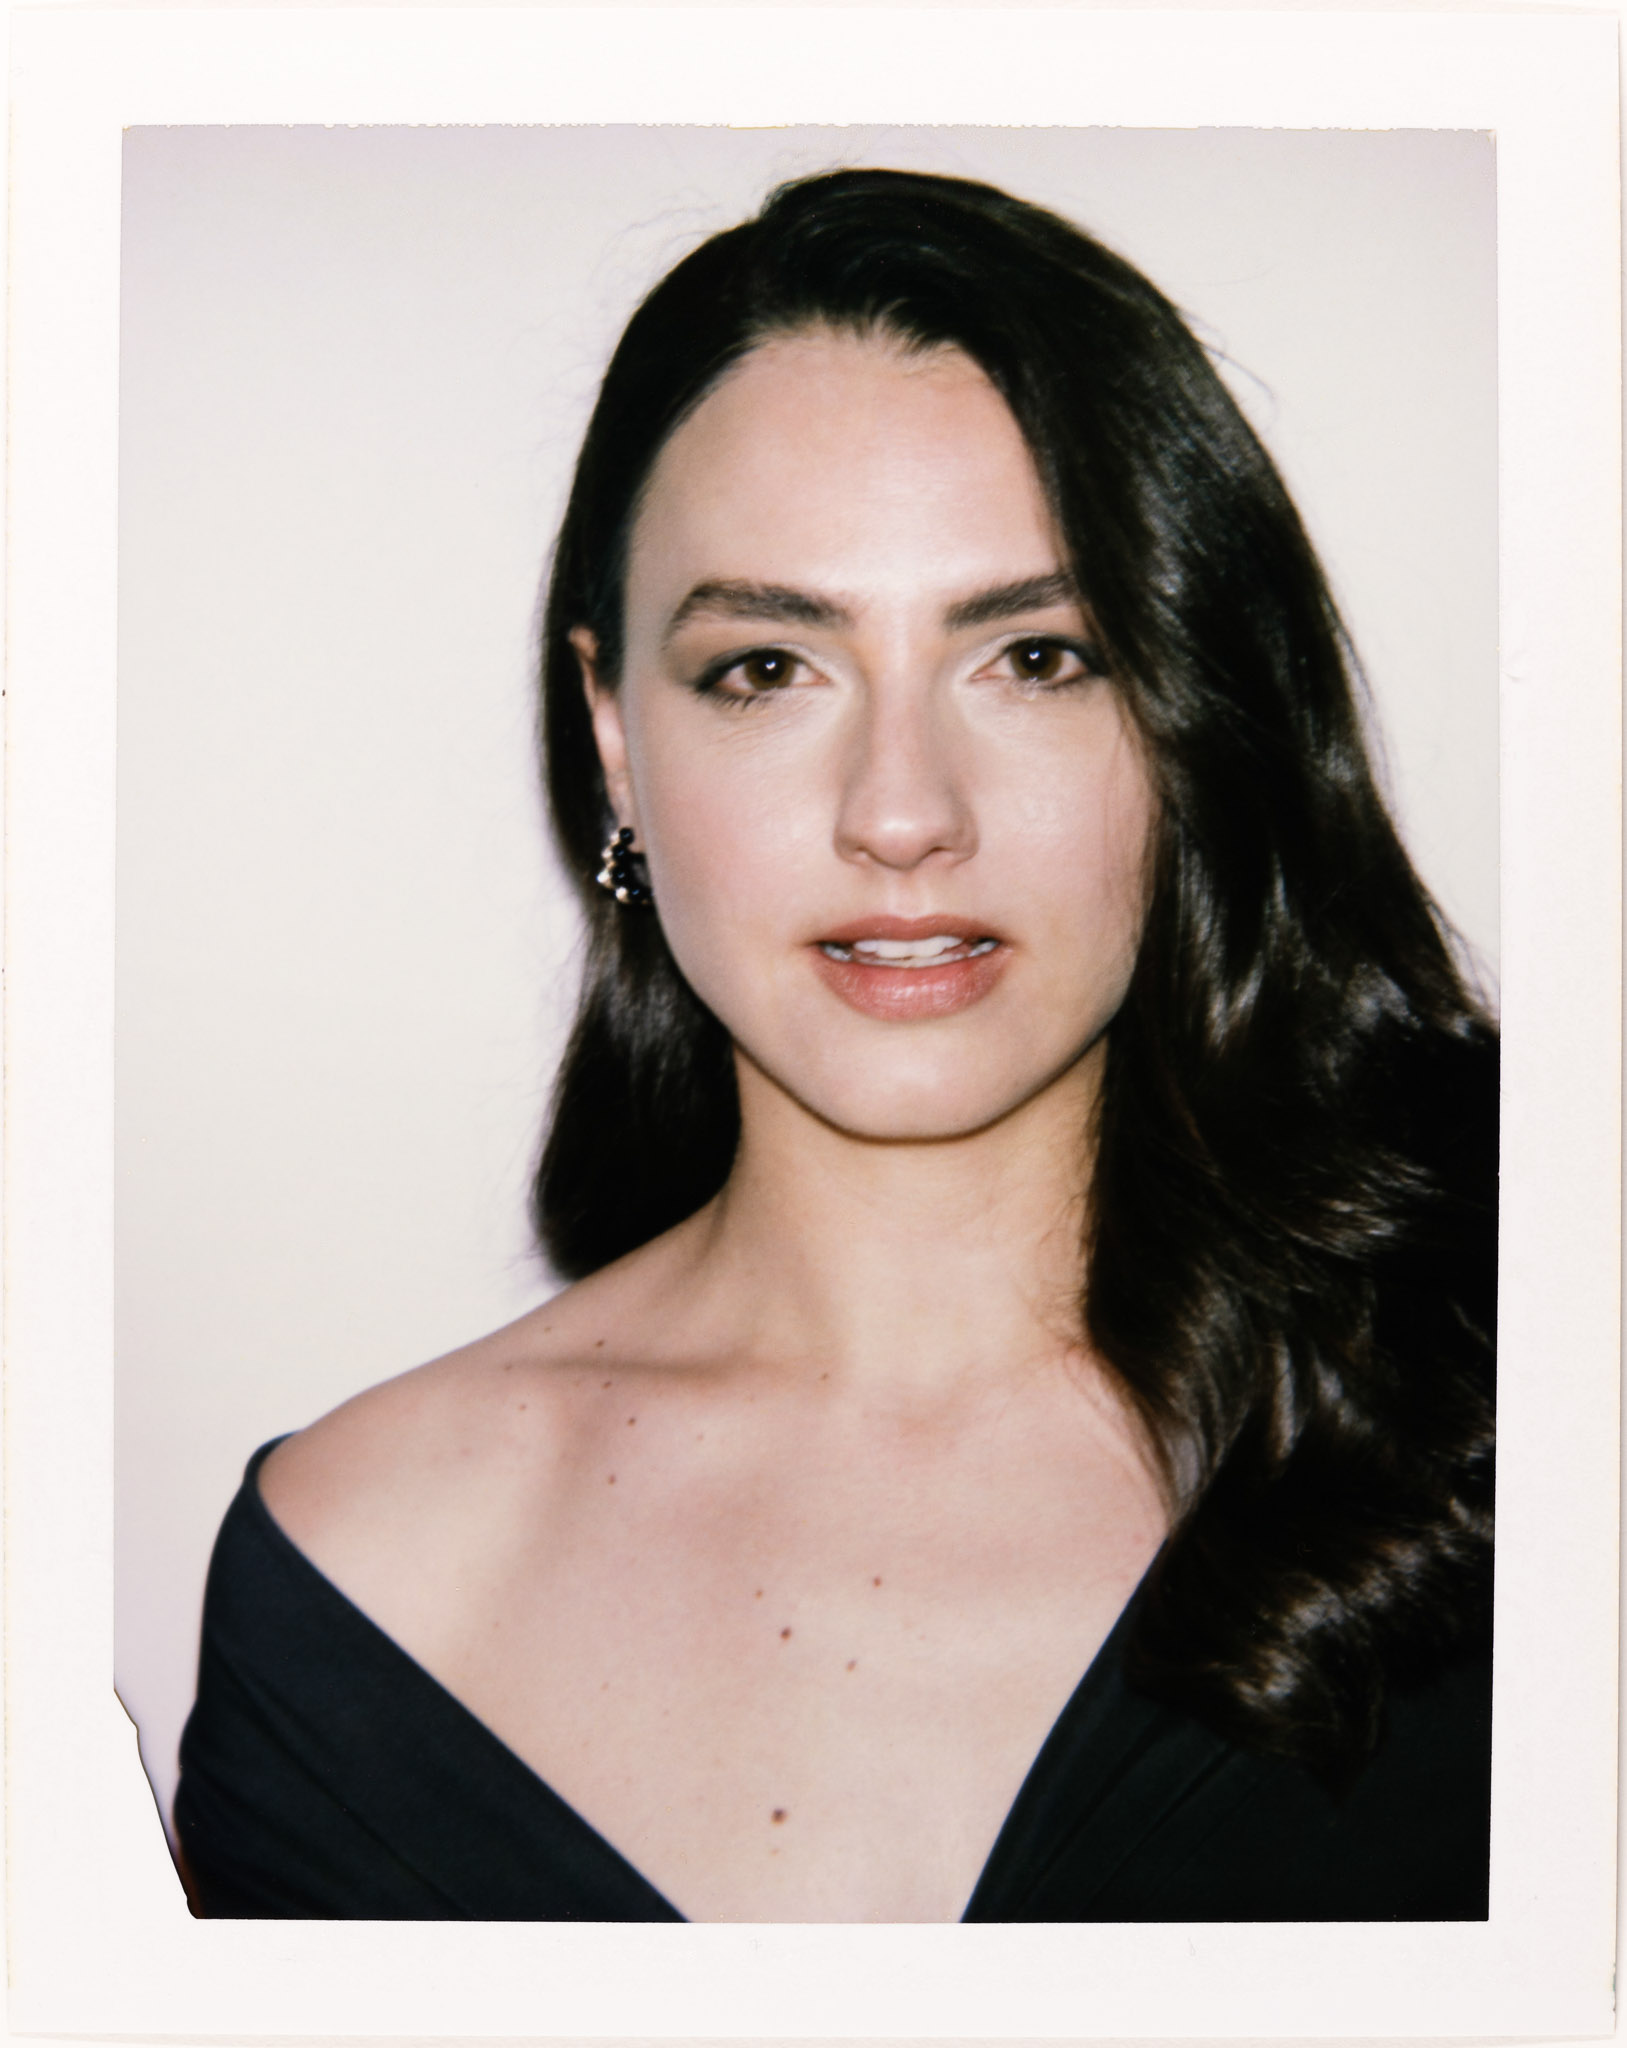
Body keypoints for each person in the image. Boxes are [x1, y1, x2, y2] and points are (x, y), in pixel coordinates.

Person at [172, 168, 1497, 1923]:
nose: (901, 813)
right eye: (767, 669)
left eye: (1037, 656)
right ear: (615, 733)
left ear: (1195, 709)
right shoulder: (356, 1580)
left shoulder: (1522, 1419)